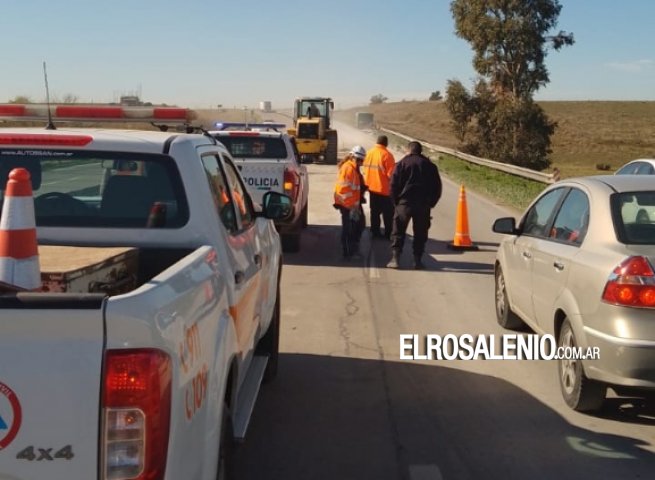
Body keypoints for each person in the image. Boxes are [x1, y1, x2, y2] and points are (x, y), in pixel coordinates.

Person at [387, 141, 442, 270]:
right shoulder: (430, 166)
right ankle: (417, 261)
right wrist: (431, 204)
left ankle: (395, 259)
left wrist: (395, 202)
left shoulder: (401, 164)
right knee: (420, 233)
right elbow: (437, 188)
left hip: (404, 203)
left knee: (398, 231)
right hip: (423, 205)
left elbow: (393, 185)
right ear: (420, 151)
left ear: (408, 150)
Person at [334, 146, 366, 259]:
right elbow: (343, 189)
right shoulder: (348, 168)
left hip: (353, 204)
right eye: (359, 160)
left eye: (362, 161)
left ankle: (353, 249)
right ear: (353, 157)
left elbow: (354, 187)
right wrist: (351, 206)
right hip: (347, 204)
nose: (361, 163)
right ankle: (347, 253)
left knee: (359, 225)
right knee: (348, 229)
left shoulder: (353, 168)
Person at [362, 135, 395, 239]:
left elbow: (365, 170)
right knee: (388, 214)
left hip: (371, 188)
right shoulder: (387, 155)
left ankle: (375, 232)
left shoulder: (369, 153)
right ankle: (388, 233)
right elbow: (391, 175)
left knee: (374, 212)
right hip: (384, 190)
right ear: (386, 144)